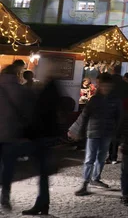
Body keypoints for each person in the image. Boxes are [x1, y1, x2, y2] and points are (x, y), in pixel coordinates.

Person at [68, 73, 121, 196]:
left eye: (107, 86)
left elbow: (119, 117)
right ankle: (85, 182)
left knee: (101, 157)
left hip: (107, 132)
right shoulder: (95, 99)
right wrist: (80, 131)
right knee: (90, 158)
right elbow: (85, 115)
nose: (105, 88)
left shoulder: (115, 100)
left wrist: (117, 132)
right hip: (93, 132)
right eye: (103, 85)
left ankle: (96, 178)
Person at [22, 77, 60, 215]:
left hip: (42, 137)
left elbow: (39, 117)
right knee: (43, 174)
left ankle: (42, 204)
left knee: (43, 174)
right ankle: (43, 204)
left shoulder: (47, 91)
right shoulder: (52, 90)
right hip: (45, 137)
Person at [0, 64, 33, 211]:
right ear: (17, 75)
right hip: (11, 135)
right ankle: (5, 196)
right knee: (8, 167)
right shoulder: (21, 90)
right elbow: (28, 114)